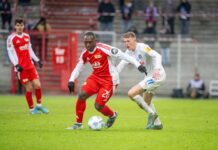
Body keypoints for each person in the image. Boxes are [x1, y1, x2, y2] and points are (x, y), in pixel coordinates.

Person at [66, 32, 147, 130]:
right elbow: (78, 67)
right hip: (95, 77)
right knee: (82, 95)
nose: (87, 45)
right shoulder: (85, 53)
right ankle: (78, 124)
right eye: (85, 42)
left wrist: (138, 65)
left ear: (95, 41)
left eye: (90, 42)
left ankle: (112, 115)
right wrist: (71, 80)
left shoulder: (104, 48)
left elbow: (123, 55)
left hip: (110, 80)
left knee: (98, 106)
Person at [116, 32, 166, 129]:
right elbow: (120, 66)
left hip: (157, 75)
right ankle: (157, 124)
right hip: (149, 77)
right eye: (125, 42)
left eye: (128, 41)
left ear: (134, 40)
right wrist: (112, 77)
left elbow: (158, 55)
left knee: (131, 93)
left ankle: (152, 114)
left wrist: (157, 69)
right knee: (146, 102)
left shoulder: (143, 47)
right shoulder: (128, 52)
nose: (126, 44)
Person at [7, 18, 49, 114]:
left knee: (38, 85)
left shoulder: (27, 36)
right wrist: (16, 65)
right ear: (15, 26)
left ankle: (39, 106)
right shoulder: (11, 38)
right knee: (29, 88)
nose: (20, 27)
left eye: (21, 25)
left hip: (30, 65)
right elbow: (10, 53)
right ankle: (31, 109)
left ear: (23, 26)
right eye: (18, 25)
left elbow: (30, 49)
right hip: (21, 68)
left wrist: (37, 60)